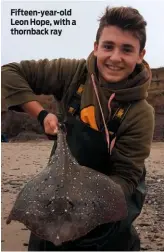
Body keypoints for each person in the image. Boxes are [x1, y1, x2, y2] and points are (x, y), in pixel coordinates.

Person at [2, 6, 155, 251]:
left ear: (140, 55)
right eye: (108, 46)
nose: (115, 57)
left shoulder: (141, 113)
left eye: (127, 49)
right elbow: (8, 73)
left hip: (102, 198)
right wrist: (41, 115)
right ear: (96, 47)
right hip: (58, 187)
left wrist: (86, 210)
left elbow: (126, 177)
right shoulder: (74, 73)